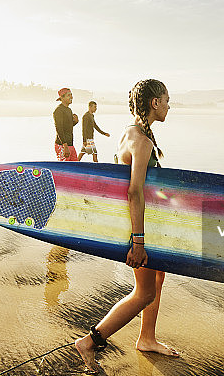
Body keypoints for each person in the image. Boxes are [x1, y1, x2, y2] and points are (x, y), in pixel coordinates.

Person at [74, 79, 179, 373]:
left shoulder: (131, 133)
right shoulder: (142, 141)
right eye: (167, 100)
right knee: (144, 293)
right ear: (154, 102)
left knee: (157, 279)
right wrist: (139, 242)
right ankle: (89, 341)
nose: (169, 105)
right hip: (137, 228)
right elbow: (134, 191)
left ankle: (147, 338)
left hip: (146, 225)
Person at [53, 87, 79, 161]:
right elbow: (59, 128)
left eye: (71, 95)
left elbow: (68, 126)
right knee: (64, 168)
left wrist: (75, 122)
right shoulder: (58, 110)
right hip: (62, 145)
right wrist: (65, 145)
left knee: (75, 166)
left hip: (70, 144)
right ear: (62, 97)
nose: (71, 97)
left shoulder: (69, 110)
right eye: (69, 95)